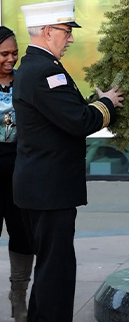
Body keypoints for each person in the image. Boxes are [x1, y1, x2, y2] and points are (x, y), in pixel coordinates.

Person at [12, 0, 124, 322]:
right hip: (49, 190)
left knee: (51, 268)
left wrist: (94, 104)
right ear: (48, 32)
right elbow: (77, 121)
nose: (70, 39)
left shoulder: (36, 67)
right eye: (66, 31)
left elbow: (59, 116)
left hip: (42, 187)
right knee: (55, 273)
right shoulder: (44, 70)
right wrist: (107, 104)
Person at [0, 26, 34, 322]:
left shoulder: (24, 80)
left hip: (20, 169)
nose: (11, 59)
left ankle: (18, 296)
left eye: (14, 53)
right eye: (4, 54)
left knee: (22, 234)